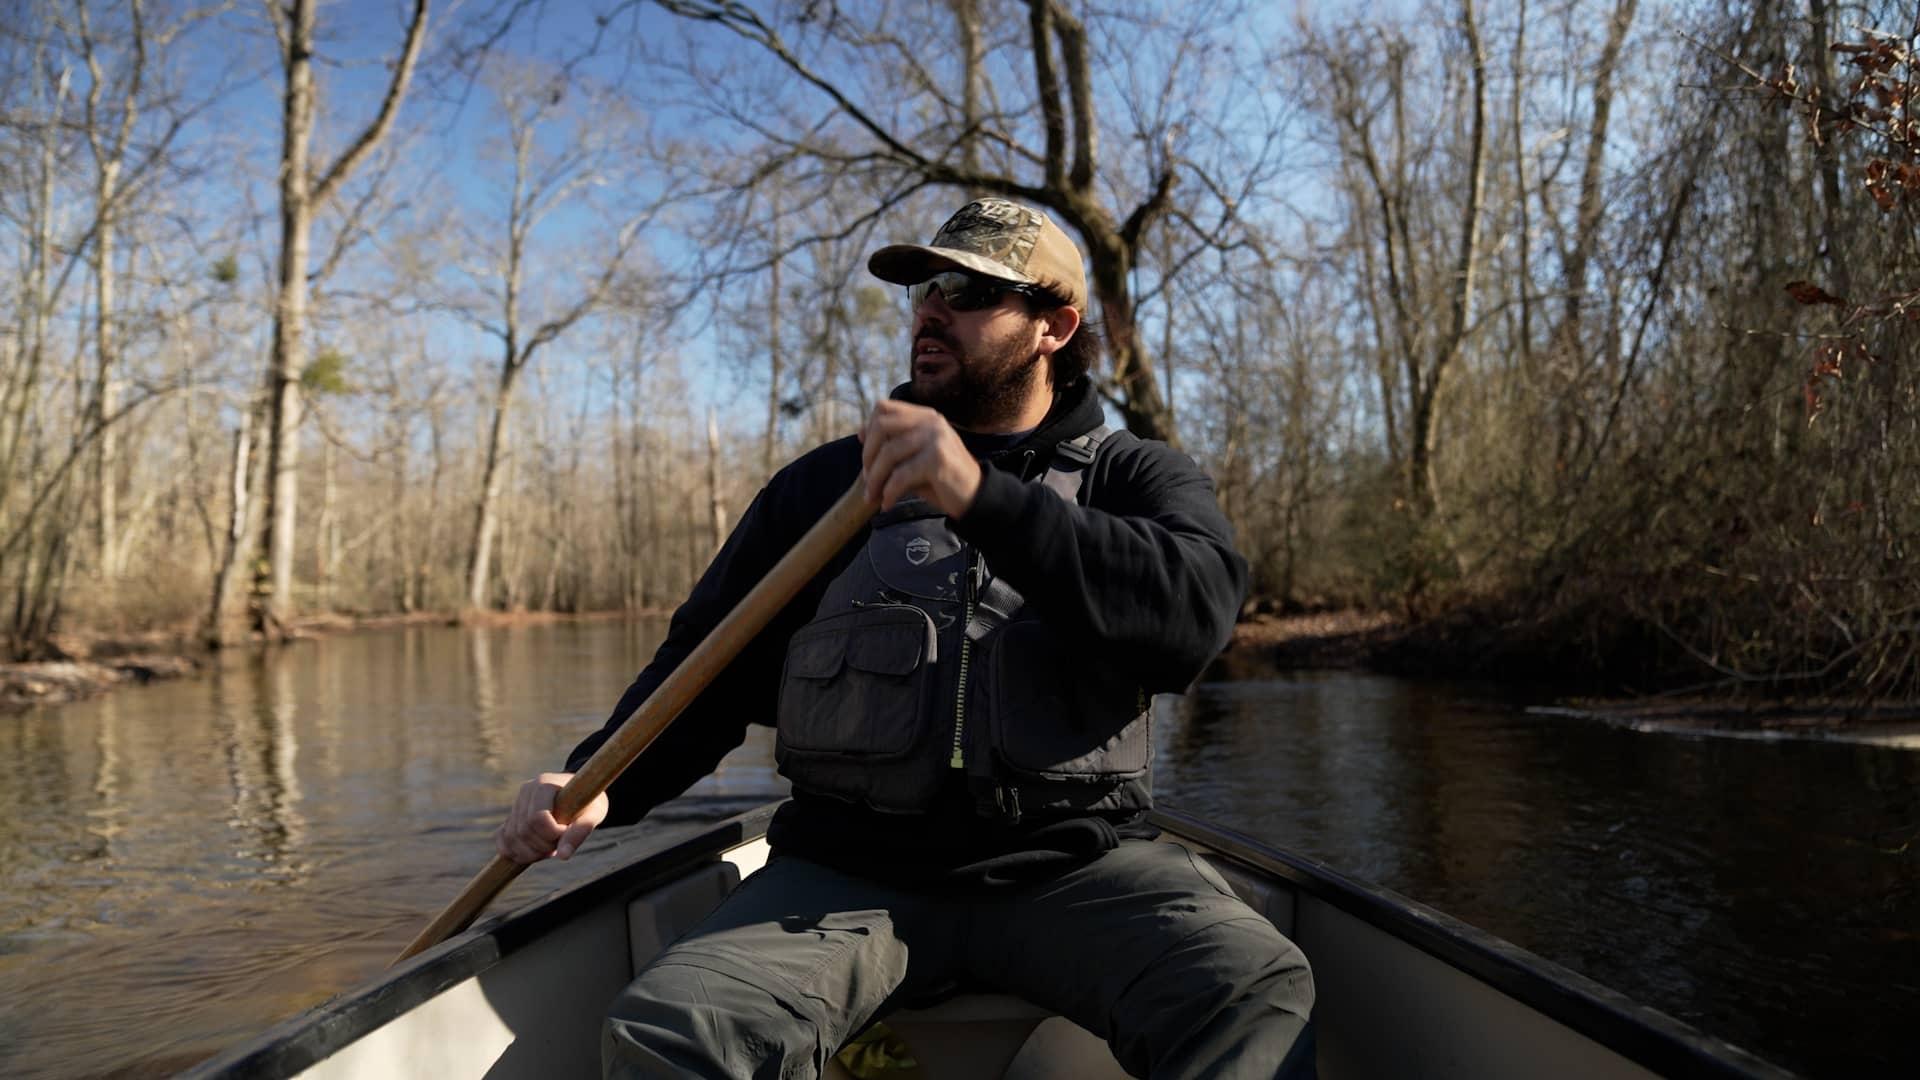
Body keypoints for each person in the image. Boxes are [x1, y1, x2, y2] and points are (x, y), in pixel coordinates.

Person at [497, 198, 1315, 1078]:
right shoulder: (822, 490)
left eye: (967, 290)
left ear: (1055, 326)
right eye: (925, 289)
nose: (930, 308)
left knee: (1250, 985)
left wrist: (985, 497)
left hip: (1079, 869)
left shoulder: (1135, 475)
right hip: (844, 878)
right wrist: (601, 781)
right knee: (667, 1033)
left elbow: (1195, 618)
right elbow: (706, 672)